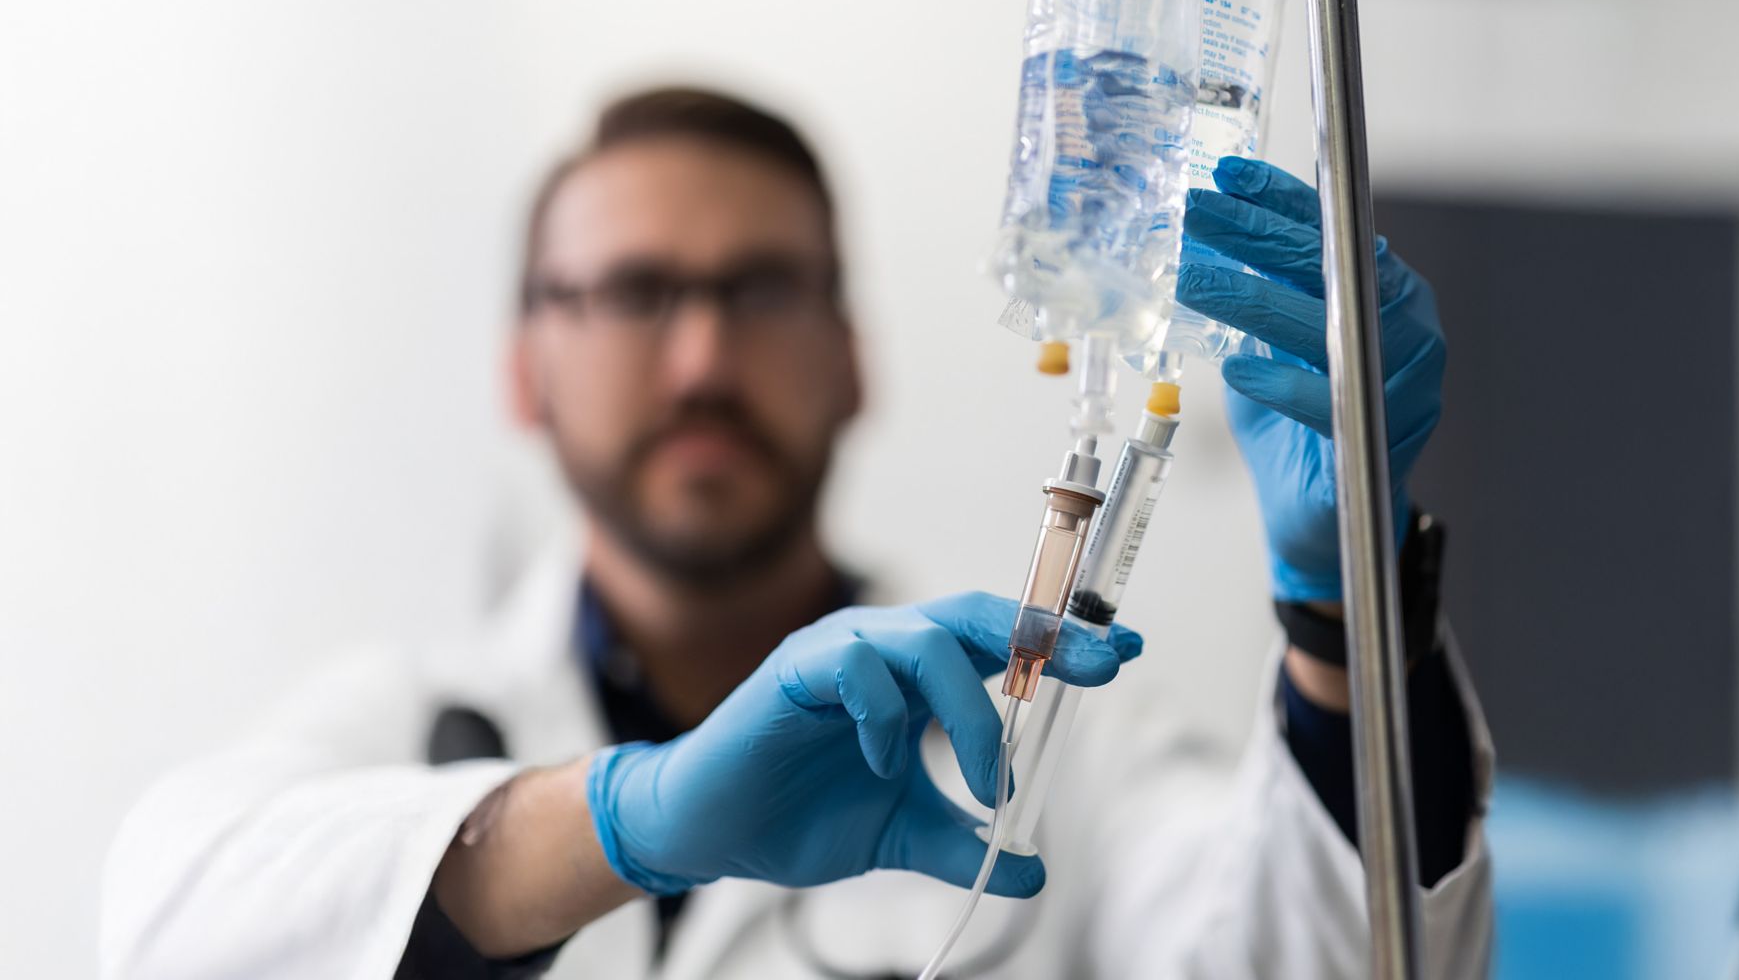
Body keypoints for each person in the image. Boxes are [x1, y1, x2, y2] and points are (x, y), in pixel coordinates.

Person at [102, 86, 1494, 979]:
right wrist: (622, 823)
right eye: (635, 293)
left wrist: (1339, 608)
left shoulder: (1058, 742)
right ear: (524, 368)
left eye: (761, 292)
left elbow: (1329, 962)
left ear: (851, 358)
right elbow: (160, 929)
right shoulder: (416, 723)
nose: (701, 359)